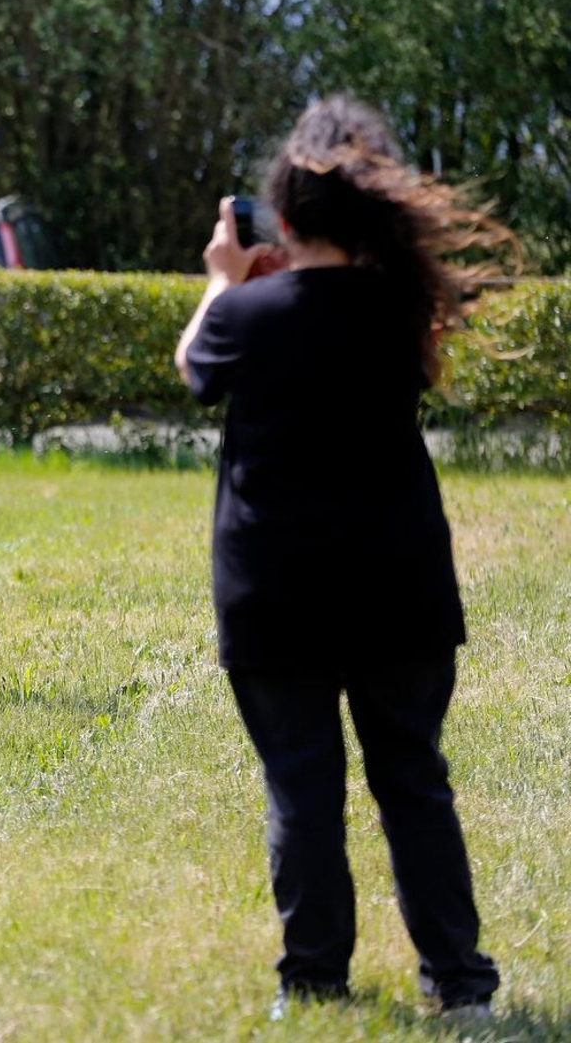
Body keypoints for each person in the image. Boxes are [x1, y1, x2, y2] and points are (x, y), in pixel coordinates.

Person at [174, 94, 510, 1023]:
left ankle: (315, 981)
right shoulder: (407, 307)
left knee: (302, 785)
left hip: (273, 588)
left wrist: (222, 279)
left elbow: (195, 366)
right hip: (401, 582)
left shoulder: (248, 311)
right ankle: (459, 982)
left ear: (282, 219)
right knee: (414, 779)